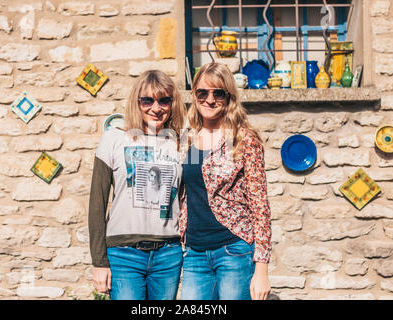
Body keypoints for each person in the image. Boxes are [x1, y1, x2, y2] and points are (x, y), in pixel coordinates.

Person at [89, 70, 187, 300]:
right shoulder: (113, 139)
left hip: (168, 254)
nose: (156, 107)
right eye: (147, 100)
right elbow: (97, 205)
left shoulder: (181, 143)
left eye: (164, 100)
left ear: (172, 104)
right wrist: (99, 262)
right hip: (123, 254)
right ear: (137, 102)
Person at [179, 62, 272, 300]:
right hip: (194, 253)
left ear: (228, 97)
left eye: (217, 93)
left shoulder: (244, 139)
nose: (209, 100)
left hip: (233, 250)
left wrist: (261, 269)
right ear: (195, 95)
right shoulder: (185, 140)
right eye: (202, 93)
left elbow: (260, 205)